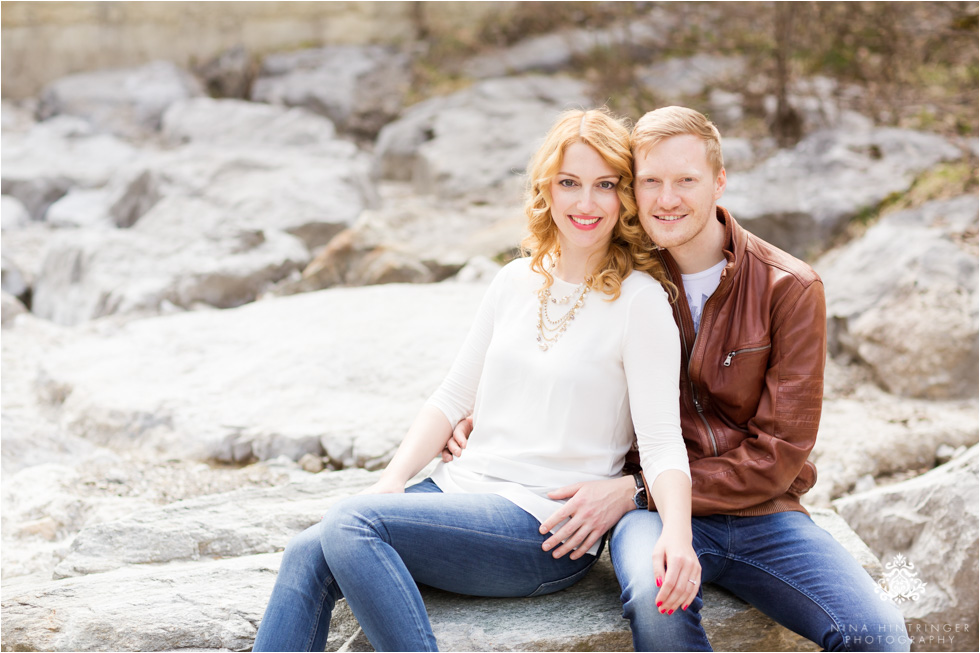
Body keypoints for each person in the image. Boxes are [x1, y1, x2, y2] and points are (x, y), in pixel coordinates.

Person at [445, 106, 910, 652]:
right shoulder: (619, 274)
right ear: (633, 191)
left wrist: (633, 491)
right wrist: (482, 418)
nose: (667, 199)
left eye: (685, 181)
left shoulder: (789, 288)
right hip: (653, 516)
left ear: (719, 181)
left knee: (879, 637)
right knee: (655, 593)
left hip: (759, 515)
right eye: (651, 183)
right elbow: (557, 363)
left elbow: (780, 451)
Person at [252, 108, 699, 653]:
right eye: (569, 183)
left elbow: (661, 442)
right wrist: (391, 485)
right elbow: (451, 397)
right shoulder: (514, 281)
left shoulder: (640, 301)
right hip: (457, 490)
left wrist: (678, 534)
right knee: (308, 550)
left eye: (605, 185)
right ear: (547, 190)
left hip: (542, 527)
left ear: (625, 197)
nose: (586, 203)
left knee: (350, 523)